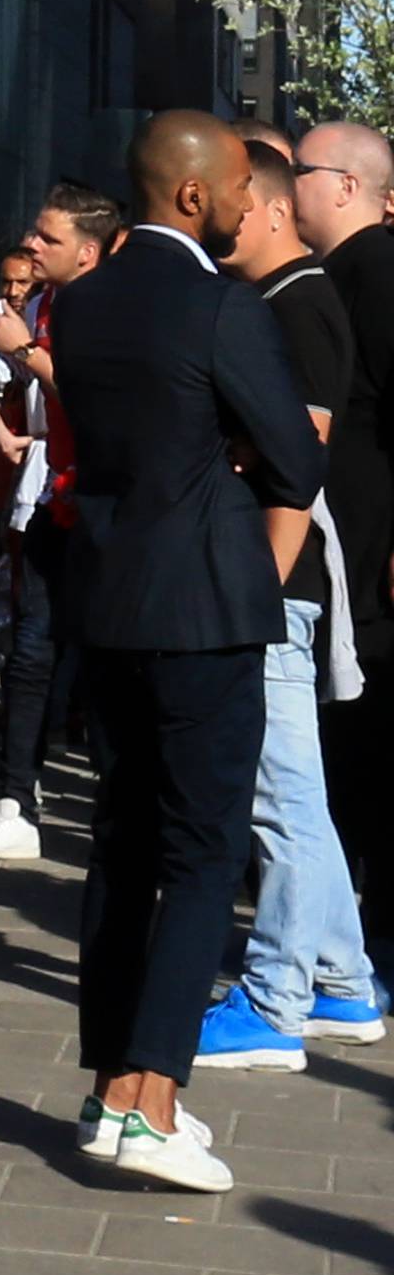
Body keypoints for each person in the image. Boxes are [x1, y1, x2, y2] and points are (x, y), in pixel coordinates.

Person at [53, 111, 323, 1192]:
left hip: (109, 599)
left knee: (119, 844)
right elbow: (300, 463)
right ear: (197, 200)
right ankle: (155, 1097)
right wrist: (243, 443)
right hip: (206, 610)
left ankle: (113, 1084)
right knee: (203, 851)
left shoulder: (78, 304)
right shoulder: (223, 304)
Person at [194, 141, 384, 1069]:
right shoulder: (286, 300)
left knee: (282, 803)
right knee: (294, 796)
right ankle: (342, 984)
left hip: (280, 586)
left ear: (267, 207)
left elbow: (299, 457)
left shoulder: (300, 305)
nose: (221, 219)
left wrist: (260, 592)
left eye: (236, 200)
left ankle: (276, 999)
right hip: (283, 583)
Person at [0, 182, 116, 864]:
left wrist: (28, 354)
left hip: (106, 496)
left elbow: (95, 394)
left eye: (47, 239)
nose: (31, 247)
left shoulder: (110, 308)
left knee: (103, 654)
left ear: (89, 250)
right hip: (50, 491)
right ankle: (15, 796)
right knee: (30, 645)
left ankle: (113, 801)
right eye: (32, 236)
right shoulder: (39, 306)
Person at [289, 120, 394, 982]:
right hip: (346, 550)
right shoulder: (334, 275)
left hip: (376, 554)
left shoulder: (380, 272)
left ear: (347, 186)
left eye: (302, 169)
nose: (289, 183)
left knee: (372, 738)